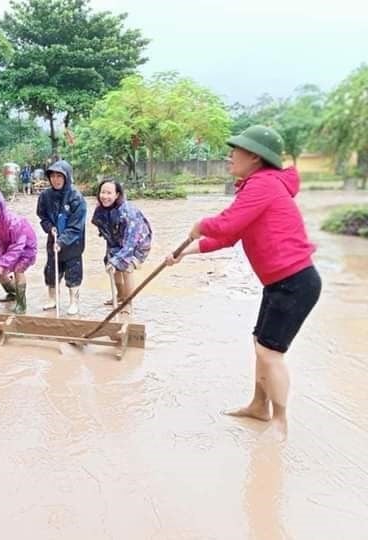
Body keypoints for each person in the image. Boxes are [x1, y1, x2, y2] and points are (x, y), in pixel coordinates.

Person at [165, 125, 322, 440]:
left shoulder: (262, 185)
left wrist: (200, 225)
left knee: (270, 352)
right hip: (281, 282)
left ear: (253, 156)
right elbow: (229, 237)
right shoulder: (259, 185)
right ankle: (258, 406)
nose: (229, 157)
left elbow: (225, 224)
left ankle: (280, 422)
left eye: (234, 151)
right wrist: (183, 254)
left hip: (294, 281)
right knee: (260, 345)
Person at [91, 179, 152, 313]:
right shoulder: (100, 210)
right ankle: (120, 295)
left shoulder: (128, 212)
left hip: (138, 244)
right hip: (116, 242)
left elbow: (130, 243)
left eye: (109, 193)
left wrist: (117, 259)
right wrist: (111, 259)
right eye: (102, 192)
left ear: (117, 195)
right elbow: (106, 233)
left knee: (126, 266)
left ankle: (128, 303)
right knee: (111, 266)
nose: (105, 196)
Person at [36, 159, 87, 315]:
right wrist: (49, 228)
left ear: (67, 177)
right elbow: (42, 216)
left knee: (73, 272)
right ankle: (53, 299)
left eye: (60, 176)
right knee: (51, 270)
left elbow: (76, 226)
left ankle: (73, 302)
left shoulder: (76, 198)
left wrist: (62, 241)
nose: (56, 180)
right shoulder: (45, 196)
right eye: (53, 176)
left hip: (73, 243)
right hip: (53, 238)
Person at [0, 187, 38, 314]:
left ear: (2, 209)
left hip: (25, 246)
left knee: (19, 270)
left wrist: (4, 262)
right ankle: (13, 293)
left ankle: (21, 304)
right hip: (6, 244)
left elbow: (18, 246)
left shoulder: (14, 222)